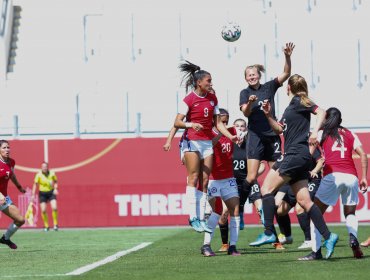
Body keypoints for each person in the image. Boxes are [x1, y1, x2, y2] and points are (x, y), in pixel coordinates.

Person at [250, 74, 338, 260]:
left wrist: (315, 132)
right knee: (305, 202)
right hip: (300, 157)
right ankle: (329, 237)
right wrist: (267, 114)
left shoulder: (299, 101)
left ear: (288, 87)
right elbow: (279, 129)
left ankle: (268, 232)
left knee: (265, 189)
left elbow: (321, 112)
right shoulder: (291, 107)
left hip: (295, 154)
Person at [174, 61, 238, 233]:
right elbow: (177, 122)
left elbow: (218, 123)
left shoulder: (213, 99)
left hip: (206, 142)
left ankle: (201, 218)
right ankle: (192, 217)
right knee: (193, 177)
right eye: (208, 80)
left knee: (204, 181)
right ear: (199, 82)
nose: (211, 83)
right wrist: (190, 124)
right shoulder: (189, 99)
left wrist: (230, 135)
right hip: (192, 142)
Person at [303, 107, 368, 260]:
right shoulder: (350, 134)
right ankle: (353, 238)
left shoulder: (321, 133)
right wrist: (364, 177)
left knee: (315, 213)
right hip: (352, 177)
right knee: (350, 213)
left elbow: (308, 154)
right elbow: (363, 155)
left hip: (332, 176)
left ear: (326, 119)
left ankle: (316, 252)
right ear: (340, 120)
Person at [239, 42, 295, 211]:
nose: (251, 77)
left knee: (279, 174)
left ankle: (275, 210)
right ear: (246, 78)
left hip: (272, 136)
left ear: (258, 75)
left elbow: (286, 73)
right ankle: (239, 207)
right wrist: (249, 103)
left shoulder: (269, 87)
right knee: (251, 176)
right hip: (255, 137)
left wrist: (287, 56)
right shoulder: (245, 93)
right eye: (248, 75)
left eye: (253, 74)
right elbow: (245, 113)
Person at [201, 109, 241, 256]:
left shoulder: (232, 131)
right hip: (212, 180)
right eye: (221, 121)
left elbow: (243, 134)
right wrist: (220, 133)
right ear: (215, 121)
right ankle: (206, 245)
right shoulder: (208, 133)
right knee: (217, 211)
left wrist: (239, 137)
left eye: (226, 121)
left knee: (235, 211)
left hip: (229, 179)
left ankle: (233, 246)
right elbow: (207, 147)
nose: (224, 124)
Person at [274, 145, 325, 249]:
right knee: (280, 210)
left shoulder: (309, 144)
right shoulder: (292, 144)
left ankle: (309, 240)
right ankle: (287, 236)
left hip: (311, 180)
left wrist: (314, 171)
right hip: (295, 180)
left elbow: (321, 161)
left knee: (300, 208)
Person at [0, 140, 26, 249]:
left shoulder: (11, 162)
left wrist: (19, 186)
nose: (7, 150)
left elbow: (12, 175)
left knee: (20, 220)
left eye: (8, 147)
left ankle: (5, 238)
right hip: (1, 197)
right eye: (4, 148)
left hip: (4, 198)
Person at [31, 162, 59, 231]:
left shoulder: (52, 173)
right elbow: (35, 184)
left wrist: (55, 189)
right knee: (43, 210)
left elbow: (55, 181)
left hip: (51, 192)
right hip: (42, 193)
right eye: (43, 167)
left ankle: (55, 225)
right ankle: (46, 226)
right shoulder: (38, 175)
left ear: (47, 167)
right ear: (41, 168)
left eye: (45, 167)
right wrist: (33, 194)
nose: (44, 168)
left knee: (54, 207)